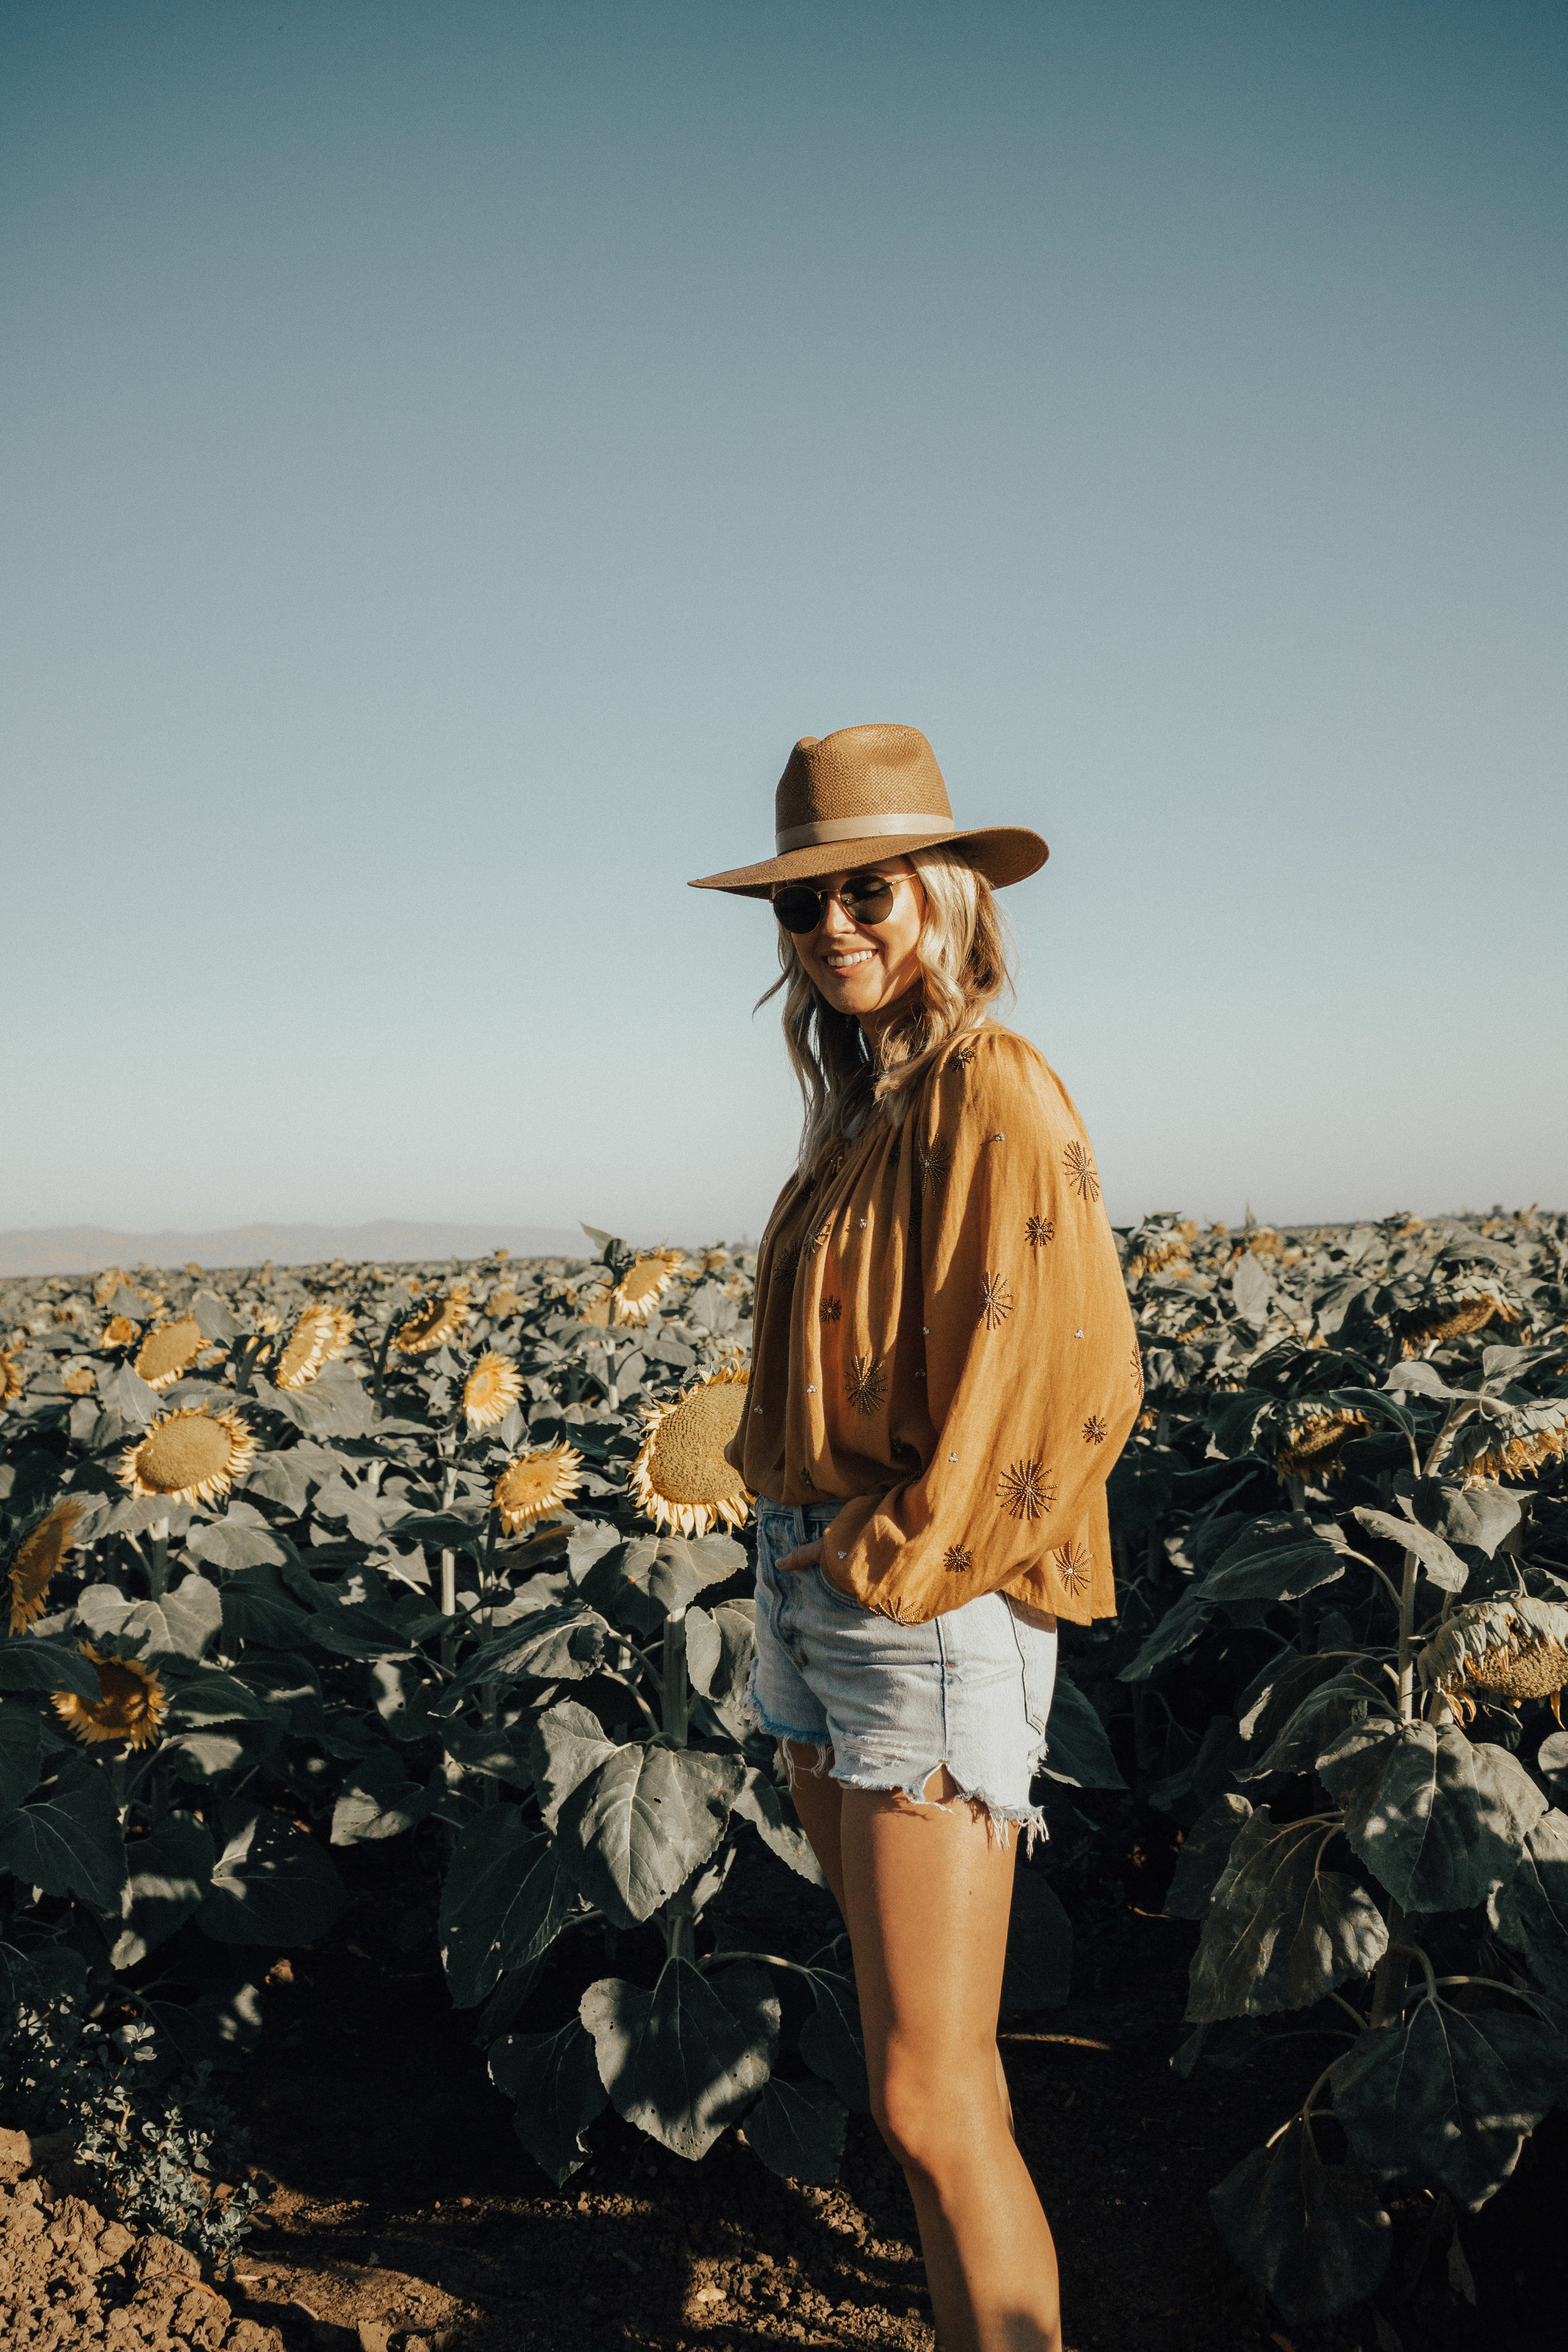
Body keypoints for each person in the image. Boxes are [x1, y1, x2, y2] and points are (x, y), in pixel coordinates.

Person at [690, 724, 1138, 2352]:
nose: (830, 931)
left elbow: (1064, 1378)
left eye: (864, 891)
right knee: (916, 2088)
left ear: (943, 895)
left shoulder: (990, 1087)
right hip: (819, 1586)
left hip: (916, 1597)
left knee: (930, 2095)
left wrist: (884, 1556)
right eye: (799, 908)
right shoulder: (861, 1114)